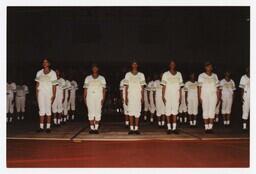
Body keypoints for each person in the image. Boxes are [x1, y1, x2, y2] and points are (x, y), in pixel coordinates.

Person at [35, 58, 57, 133]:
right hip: (41, 93)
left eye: (46, 62)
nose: (45, 63)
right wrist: (37, 94)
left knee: (48, 110)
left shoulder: (53, 73)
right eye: (43, 62)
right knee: (41, 110)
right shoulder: (39, 72)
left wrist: (54, 95)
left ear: (49, 64)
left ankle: (48, 127)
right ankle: (41, 127)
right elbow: (37, 84)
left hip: (49, 93)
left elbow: (54, 86)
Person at [83, 64, 106, 134]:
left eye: (96, 68)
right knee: (91, 112)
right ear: (92, 69)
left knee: (98, 112)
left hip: (99, 97)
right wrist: (85, 98)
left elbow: (104, 90)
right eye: (93, 68)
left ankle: (96, 128)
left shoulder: (102, 78)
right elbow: (85, 89)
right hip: (90, 97)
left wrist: (103, 98)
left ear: (98, 69)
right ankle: (92, 128)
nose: (95, 69)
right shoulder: (88, 78)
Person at [161, 60, 183, 134]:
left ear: (175, 65)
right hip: (168, 95)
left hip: (176, 96)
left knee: (175, 112)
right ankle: (169, 128)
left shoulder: (179, 74)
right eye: (171, 64)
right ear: (169, 65)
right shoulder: (165, 74)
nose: (172, 65)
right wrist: (163, 96)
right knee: (168, 112)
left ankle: (174, 128)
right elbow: (163, 86)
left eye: (173, 64)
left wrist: (180, 97)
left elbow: (180, 87)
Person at [124, 61, 146, 135]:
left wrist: (142, 97)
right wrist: (126, 97)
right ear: (131, 65)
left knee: (137, 112)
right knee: (130, 112)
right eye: (133, 64)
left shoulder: (141, 75)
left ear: (137, 65)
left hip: (138, 96)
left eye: (136, 64)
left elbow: (142, 87)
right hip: (130, 95)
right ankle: (131, 128)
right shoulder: (127, 74)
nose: (134, 65)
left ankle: (136, 128)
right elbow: (126, 87)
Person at [198, 62, 220, 134]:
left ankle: (210, 128)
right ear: (205, 67)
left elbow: (218, 87)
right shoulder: (201, 76)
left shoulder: (215, 76)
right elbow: (199, 87)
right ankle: (206, 127)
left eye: (210, 66)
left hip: (213, 95)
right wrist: (199, 97)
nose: (209, 68)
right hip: (204, 95)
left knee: (212, 111)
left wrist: (218, 96)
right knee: (205, 110)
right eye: (208, 66)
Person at [239, 67, 250, 131]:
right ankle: (244, 127)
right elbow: (242, 88)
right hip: (246, 95)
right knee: (245, 111)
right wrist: (241, 97)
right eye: (247, 69)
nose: (248, 70)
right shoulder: (243, 77)